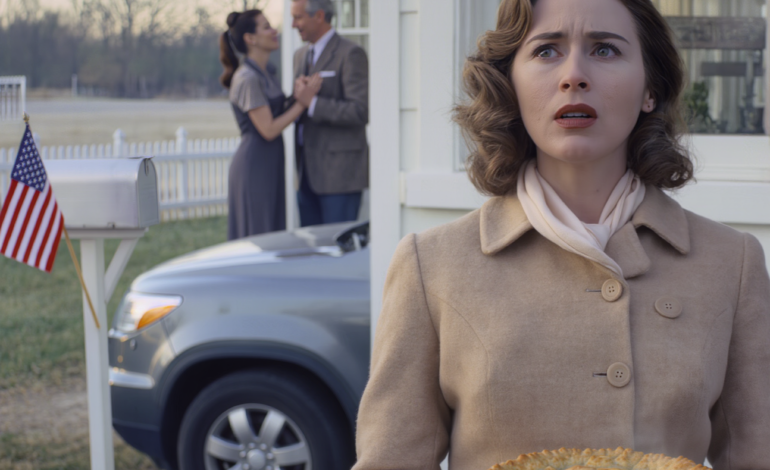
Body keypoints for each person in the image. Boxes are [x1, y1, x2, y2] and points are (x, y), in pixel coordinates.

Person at [353, 0, 770, 469]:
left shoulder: (731, 263)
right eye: (546, 51)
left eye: (605, 50)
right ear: (510, 83)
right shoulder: (432, 266)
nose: (574, 76)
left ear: (650, 88)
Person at [219, 9, 322, 240]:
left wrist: (298, 93)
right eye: (266, 27)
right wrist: (304, 102)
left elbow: (279, 111)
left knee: (271, 231)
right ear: (250, 38)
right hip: (254, 165)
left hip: (269, 161)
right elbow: (268, 129)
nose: (274, 31)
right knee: (259, 235)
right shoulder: (248, 78)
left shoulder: (266, 73)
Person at [290, 0, 369, 227]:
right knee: (310, 246)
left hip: (339, 177)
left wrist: (313, 102)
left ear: (319, 16)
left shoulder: (350, 53)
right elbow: (300, 104)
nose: (294, 24)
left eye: (298, 17)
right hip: (305, 174)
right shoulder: (299, 55)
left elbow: (360, 111)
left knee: (336, 246)